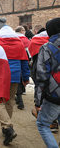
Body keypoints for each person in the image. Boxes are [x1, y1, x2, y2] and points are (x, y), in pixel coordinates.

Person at [0, 25, 30, 146]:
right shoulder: (19, 43)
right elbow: (24, 61)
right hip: (15, 76)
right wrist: (25, 77)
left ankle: (8, 127)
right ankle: (6, 128)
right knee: (9, 101)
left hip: (1, 75)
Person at [36, 17, 60, 148]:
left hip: (54, 95)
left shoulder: (47, 48)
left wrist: (37, 101)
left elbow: (42, 76)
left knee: (42, 124)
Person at [15, 26, 31, 109]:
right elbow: (29, 51)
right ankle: (20, 99)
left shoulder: (13, 38)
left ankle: (19, 99)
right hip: (23, 59)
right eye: (24, 30)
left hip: (14, 61)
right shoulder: (25, 40)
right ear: (21, 31)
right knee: (21, 79)